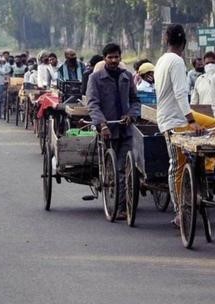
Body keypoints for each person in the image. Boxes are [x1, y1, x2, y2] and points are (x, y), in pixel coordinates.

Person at [153, 24, 204, 225]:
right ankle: (179, 211)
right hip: (175, 121)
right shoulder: (176, 61)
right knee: (177, 165)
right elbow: (180, 93)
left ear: (166, 40)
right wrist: (191, 120)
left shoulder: (162, 60)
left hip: (173, 117)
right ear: (183, 43)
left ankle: (197, 192)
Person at [86, 43, 141, 220]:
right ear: (104, 59)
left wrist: (131, 115)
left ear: (120, 58)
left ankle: (123, 206)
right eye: (110, 57)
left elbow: (135, 101)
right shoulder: (95, 78)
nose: (113, 60)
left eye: (116, 57)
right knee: (114, 169)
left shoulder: (127, 76)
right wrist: (101, 124)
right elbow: (92, 104)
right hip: (107, 129)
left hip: (126, 129)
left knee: (124, 168)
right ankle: (118, 205)